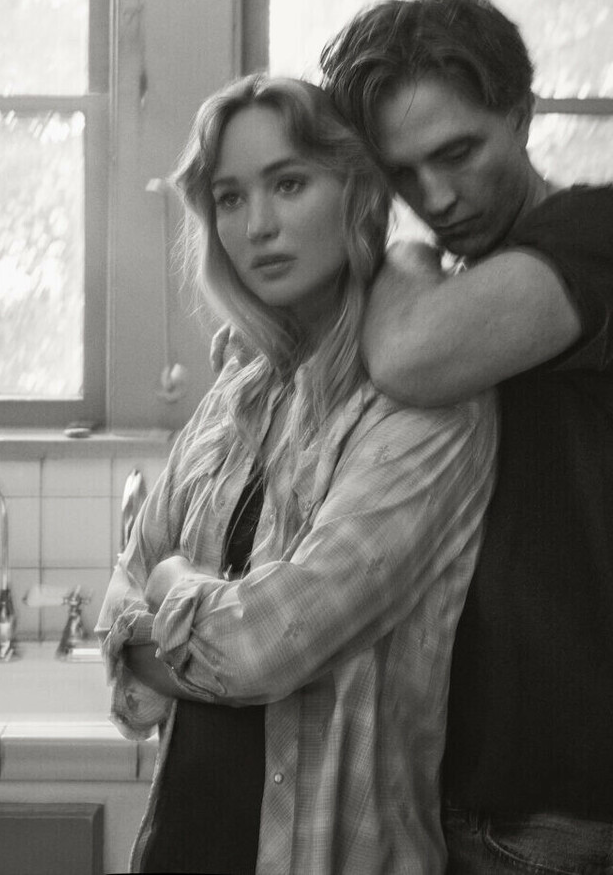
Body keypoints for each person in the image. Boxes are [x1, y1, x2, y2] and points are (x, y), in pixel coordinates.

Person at [320, 0, 613, 875]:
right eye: (403, 173)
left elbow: (412, 354)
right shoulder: (459, 284)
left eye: (459, 153)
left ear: (522, 114)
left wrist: (406, 252)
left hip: (560, 804)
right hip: (456, 788)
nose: (436, 196)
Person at [98, 73, 498, 875]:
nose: (258, 226)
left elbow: (266, 646)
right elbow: (119, 602)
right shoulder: (237, 391)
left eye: (288, 184)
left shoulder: (425, 404)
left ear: (355, 192)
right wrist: (171, 618)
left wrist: (169, 586)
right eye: (230, 198)